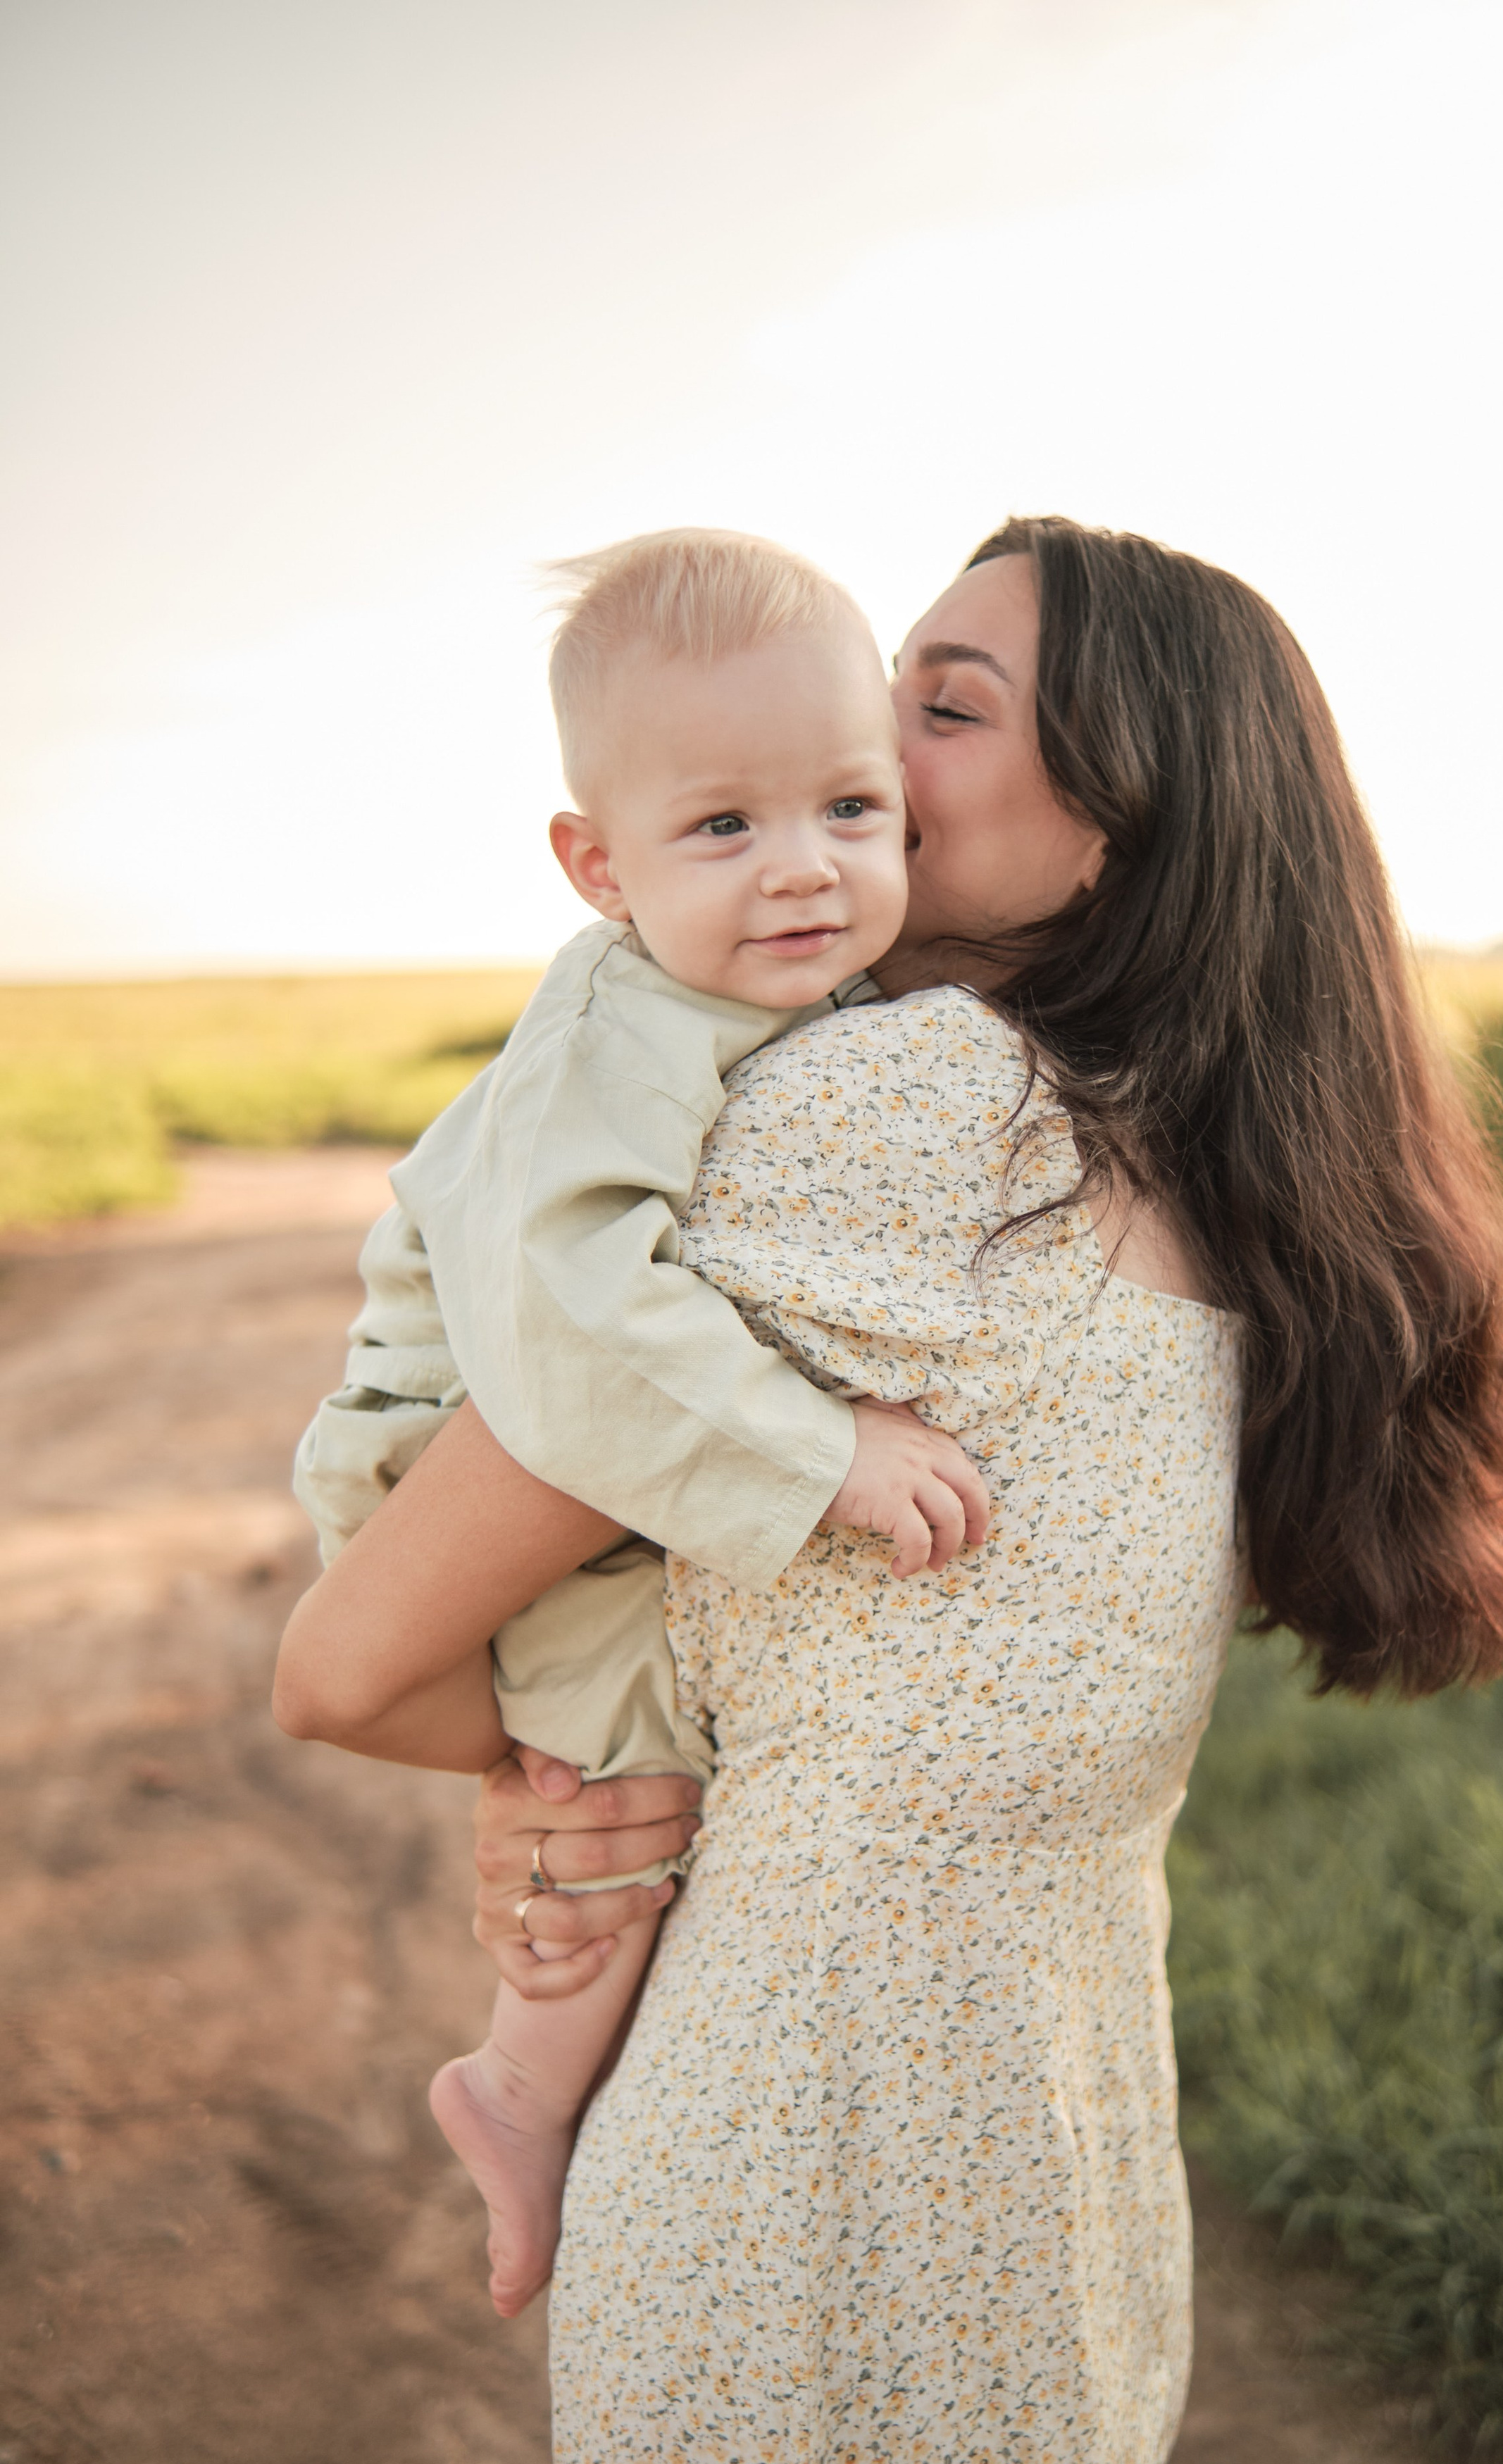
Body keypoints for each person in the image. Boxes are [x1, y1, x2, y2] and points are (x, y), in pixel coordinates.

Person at [275, 517, 1503, 2464]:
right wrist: (599, 1786)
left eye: (939, 709)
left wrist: (551, 1792)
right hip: (1054, 2166)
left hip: (816, 2149)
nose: (858, 750)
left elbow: (341, 1662)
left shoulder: (920, 1115)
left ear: (1120, 824)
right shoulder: (1203, 1170)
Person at [280, 528, 987, 2318]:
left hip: (552, 1421)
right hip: (462, 1416)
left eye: (847, 807)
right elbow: (574, 1323)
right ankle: (517, 2092)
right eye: (723, 828)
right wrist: (822, 1454)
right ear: (597, 866)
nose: (805, 871)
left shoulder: (777, 996)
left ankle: (536, 2037)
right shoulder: (616, 1023)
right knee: (619, 1786)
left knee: (607, 1759)